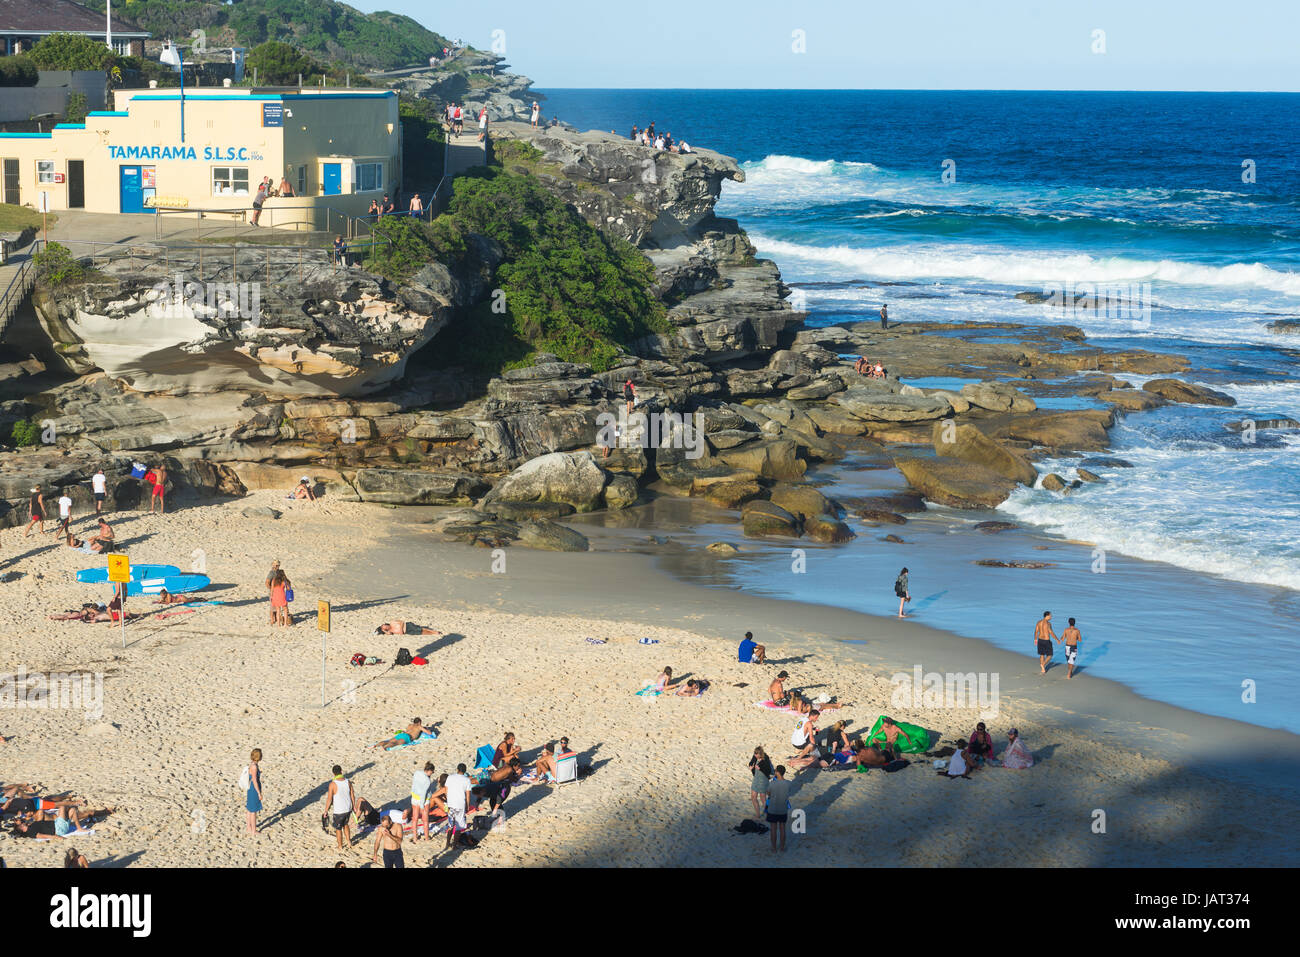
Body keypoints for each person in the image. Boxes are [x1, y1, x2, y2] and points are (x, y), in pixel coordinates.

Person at [324, 766, 358, 850]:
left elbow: (329, 799)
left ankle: (340, 845)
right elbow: (352, 795)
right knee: (345, 825)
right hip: (348, 808)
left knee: (338, 828)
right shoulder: (348, 782)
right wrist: (354, 806)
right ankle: (349, 841)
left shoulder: (332, 784)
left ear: (333, 773)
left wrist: (326, 810)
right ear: (341, 771)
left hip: (339, 810)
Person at [443, 763, 474, 849]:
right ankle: (454, 845)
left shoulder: (450, 777)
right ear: (465, 771)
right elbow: (468, 795)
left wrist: (448, 799)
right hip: (460, 805)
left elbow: (446, 790)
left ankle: (447, 843)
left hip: (450, 804)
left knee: (450, 825)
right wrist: (467, 806)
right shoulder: (467, 780)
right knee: (459, 827)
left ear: (457, 769)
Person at [765, 765, 792, 852]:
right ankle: (782, 848)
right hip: (783, 809)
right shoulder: (788, 783)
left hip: (772, 809)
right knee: (782, 829)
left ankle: (773, 848)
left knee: (773, 829)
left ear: (777, 772)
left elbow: (768, 794)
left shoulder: (772, 783)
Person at [409, 761, 435, 842]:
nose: (432, 773)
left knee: (415, 818)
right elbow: (423, 793)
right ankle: (426, 838)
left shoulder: (417, 773)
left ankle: (415, 838)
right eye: (432, 771)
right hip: (423, 800)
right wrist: (422, 805)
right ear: (429, 770)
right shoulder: (427, 781)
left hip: (414, 797)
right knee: (425, 820)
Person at [748, 746, 772, 820]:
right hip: (756, 779)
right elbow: (751, 762)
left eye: (756, 754)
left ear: (760, 754)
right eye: (754, 753)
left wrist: (760, 768)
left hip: (763, 780)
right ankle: (758, 814)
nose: (755, 755)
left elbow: (768, 771)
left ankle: (769, 814)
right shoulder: (755, 756)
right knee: (753, 797)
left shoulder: (765, 759)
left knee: (762, 798)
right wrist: (751, 766)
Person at [245, 749, 263, 835]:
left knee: (249, 809)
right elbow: (255, 780)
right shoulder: (254, 766)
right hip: (253, 789)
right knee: (253, 811)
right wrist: (259, 793)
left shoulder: (252, 764)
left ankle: (248, 827)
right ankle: (253, 830)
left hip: (250, 788)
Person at [376, 620, 442, 637]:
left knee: (420, 629)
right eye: (383, 627)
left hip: (407, 626)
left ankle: (434, 631)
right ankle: (432, 634)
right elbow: (389, 634)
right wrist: (384, 631)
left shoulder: (392, 622)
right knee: (421, 633)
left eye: (383, 625)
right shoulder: (390, 631)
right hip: (407, 632)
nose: (384, 627)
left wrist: (401, 630)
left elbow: (402, 622)